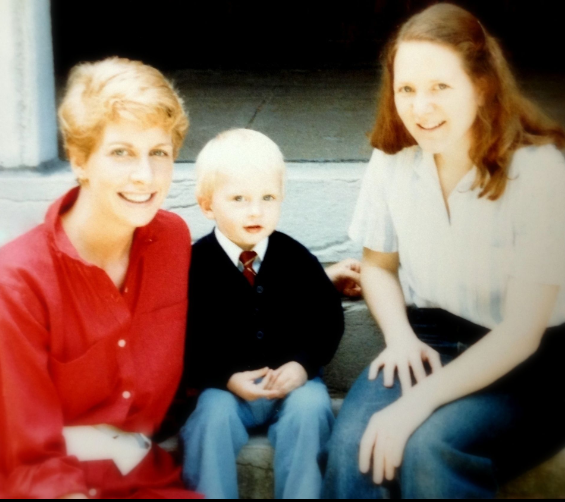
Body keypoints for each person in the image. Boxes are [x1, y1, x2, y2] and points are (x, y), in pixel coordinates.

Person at [322, 3, 565, 499]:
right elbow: (377, 267)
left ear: (481, 85)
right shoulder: (394, 160)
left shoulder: (540, 174)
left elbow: (522, 333)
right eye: (407, 90)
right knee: (355, 443)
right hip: (429, 340)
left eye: (440, 87)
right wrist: (399, 338)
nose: (420, 109)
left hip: (529, 370)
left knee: (429, 448)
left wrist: (415, 403)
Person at [0, 58, 203, 499]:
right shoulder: (18, 283)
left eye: (159, 153)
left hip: (145, 481)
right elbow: (28, 460)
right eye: (121, 152)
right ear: (79, 159)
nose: (145, 177)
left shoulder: (171, 239)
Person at [179, 129, 346, 499]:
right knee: (209, 418)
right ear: (208, 205)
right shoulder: (195, 265)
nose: (256, 211)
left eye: (268, 197)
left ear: (281, 198)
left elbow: (327, 318)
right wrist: (224, 377)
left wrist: (303, 365)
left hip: (291, 384)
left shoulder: (295, 257)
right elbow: (184, 337)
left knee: (313, 408)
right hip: (226, 389)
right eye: (238, 198)